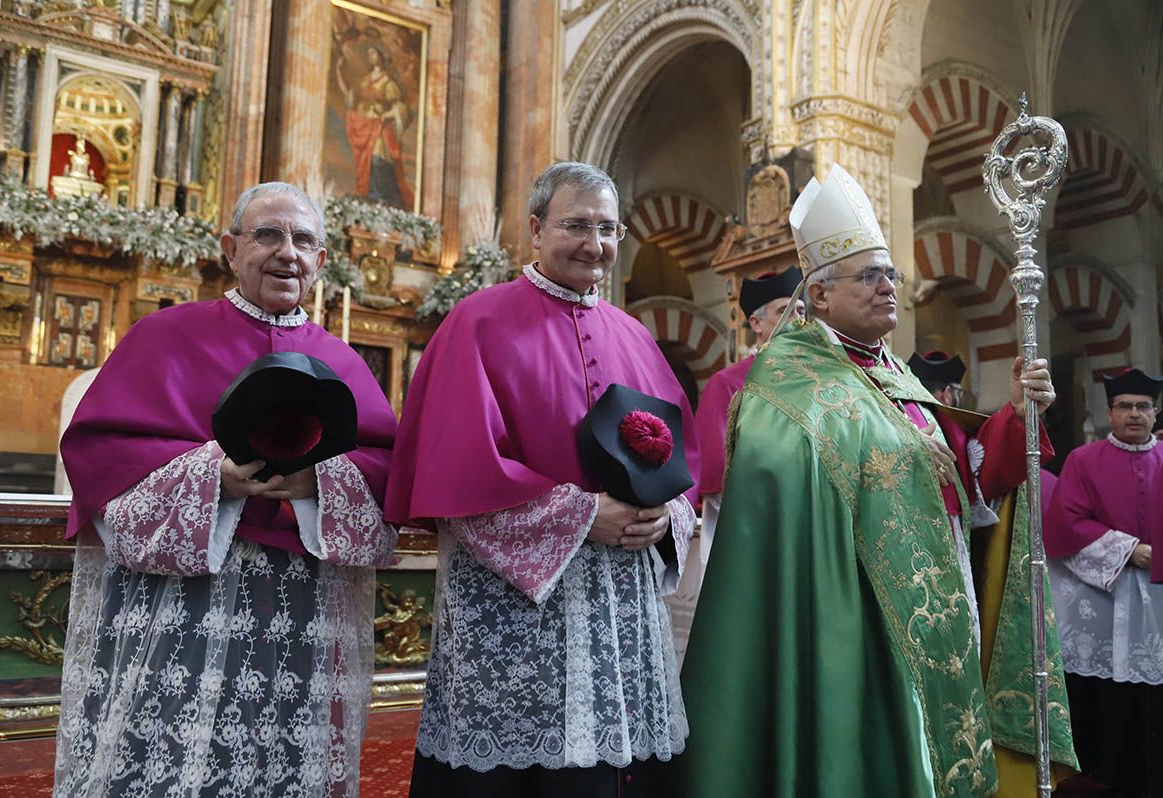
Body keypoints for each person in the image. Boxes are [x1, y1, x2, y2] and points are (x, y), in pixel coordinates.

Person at [678, 165, 1076, 797]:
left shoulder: (895, 376)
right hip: (857, 613)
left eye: (891, 273)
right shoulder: (786, 385)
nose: (888, 286)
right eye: (870, 275)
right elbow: (781, 507)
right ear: (820, 295)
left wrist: (1017, 417)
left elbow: (966, 478)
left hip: (943, 602)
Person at [53, 182, 398, 796]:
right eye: (267, 235)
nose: (286, 252)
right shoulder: (166, 336)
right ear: (231, 249)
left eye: (303, 240)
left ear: (321, 261)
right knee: (174, 753)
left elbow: (386, 468)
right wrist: (211, 475)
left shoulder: (342, 362)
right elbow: (101, 452)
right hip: (182, 601)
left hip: (300, 603)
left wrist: (317, 478)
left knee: (283, 758)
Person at [385, 161, 699, 797]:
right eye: (576, 225)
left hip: (620, 607)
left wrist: (664, 517)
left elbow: (679, 471)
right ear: (535, 229)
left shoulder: (635, 336)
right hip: (520, 616)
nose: (595, 244)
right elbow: (461, 477)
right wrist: (586, 517)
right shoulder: (476, 324)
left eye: (608, 229)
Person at [1045, 368, 1163, 798]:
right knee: (1107, 692)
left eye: (1143, 407)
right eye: (1125, 406)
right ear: (1110, 412)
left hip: (1157, 598)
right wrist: (1130, 550)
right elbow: (1065, 525)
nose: (1134, 414)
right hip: (1103, 596)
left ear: (1155, 412)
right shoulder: (1082, 460)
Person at [693, 267, 802, 565]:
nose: (799, 320)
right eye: (786, 311)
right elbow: (717, 474)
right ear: (756, 322)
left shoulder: (817, 383)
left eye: (802, 310)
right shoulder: (727, 384)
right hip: (752, 535)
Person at [337, 44, 414, 209]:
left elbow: (400, 107)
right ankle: (369, 193)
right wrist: (338, 72)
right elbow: (349, 97)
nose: (371, 56)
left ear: (382, 55)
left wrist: (387, 115)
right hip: (365, 125)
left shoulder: (388, 82)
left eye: (374, 53)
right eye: (369, 53)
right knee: (365, 160)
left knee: (378, 159)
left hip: (379, 128)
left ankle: (380, 195)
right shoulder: (365, 80)